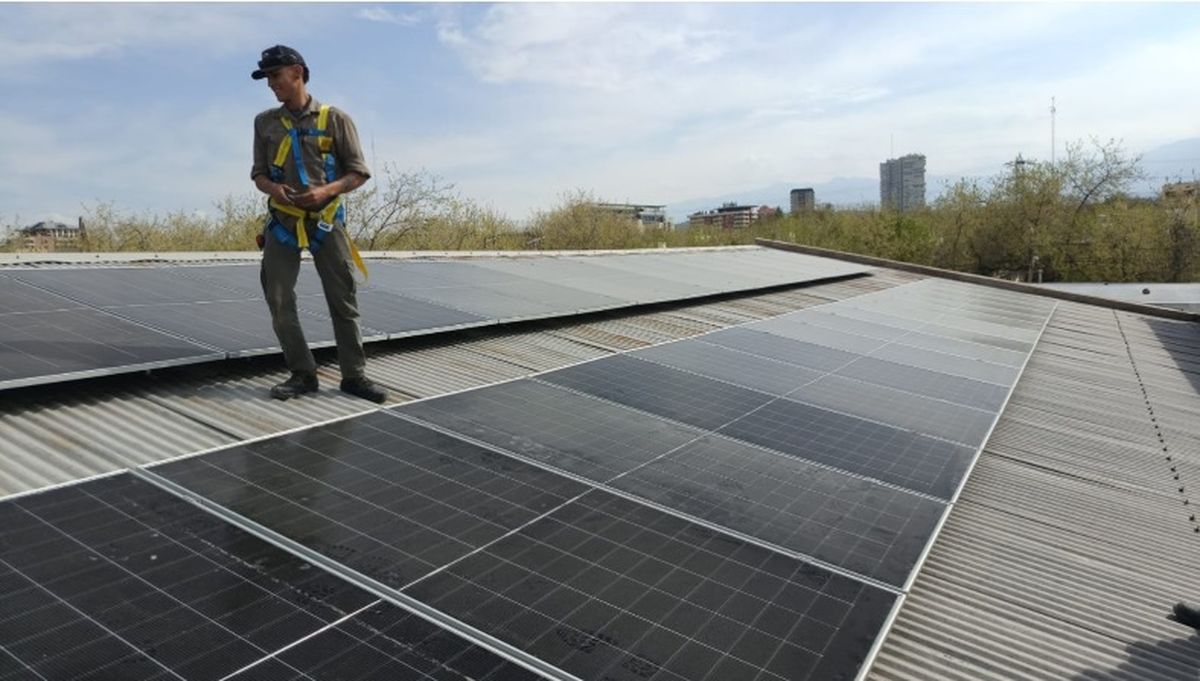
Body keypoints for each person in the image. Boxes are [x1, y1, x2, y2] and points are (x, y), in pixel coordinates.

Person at [250, 45, 386, 403]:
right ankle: (302, 374)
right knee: (278, 297)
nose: (271, 84)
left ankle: (354, 376)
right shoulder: (264, 123)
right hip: (283, 223)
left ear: (297, 72)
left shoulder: (335, 119)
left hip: (327, 222)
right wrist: (274, 189)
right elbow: (259, 174)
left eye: (275, 76)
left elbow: (358, 173)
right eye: (267, 78)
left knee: (342, 298)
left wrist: (326, 191)